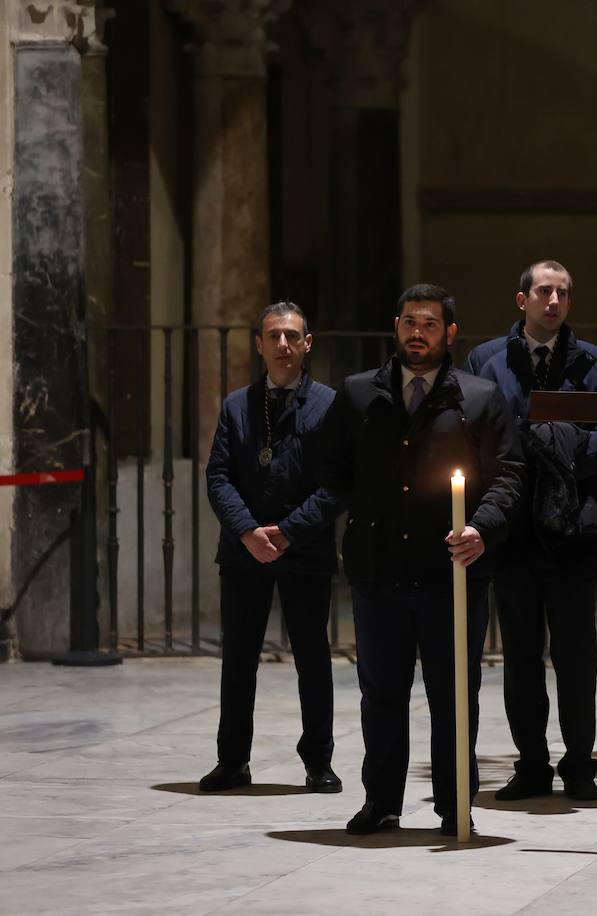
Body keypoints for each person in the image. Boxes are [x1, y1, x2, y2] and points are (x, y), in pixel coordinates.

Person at [323, 283, 523, 837]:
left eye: (430, 324)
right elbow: (331, 468)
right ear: (396, 326)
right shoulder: (359, 393)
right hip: (380, 570)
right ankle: (381, 801)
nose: (418, 333)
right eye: (409, 322)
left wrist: (482, 528)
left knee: (453, 695)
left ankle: (455, 804)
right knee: (381, 693)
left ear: (450, 333)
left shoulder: (479, 398)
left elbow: (508, 475)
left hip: (450, 572)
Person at [463, 260, 597, 802]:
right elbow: (476, 432)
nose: (554, 301)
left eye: (563, 293)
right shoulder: (486, 360)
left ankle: (579, 765)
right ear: (522, 300)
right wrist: (523, 457)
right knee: (521, 654)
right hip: (513, 526)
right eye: (544, 292)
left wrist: (562, 454)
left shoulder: (595, 361)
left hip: (575, 524)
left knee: (577, 656)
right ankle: (532, 763)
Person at [201, 301, 344, 794]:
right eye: (274, 336)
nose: (283, 344)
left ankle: (318, 762)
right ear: (259, 345)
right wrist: (248, 531)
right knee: (238, 659)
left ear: (307, 344)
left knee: (312, 658)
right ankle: (232, 761)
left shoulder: (329, 404)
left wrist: (286, 532)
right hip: (245, 552)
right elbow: (218, 477)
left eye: (292, 336)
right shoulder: (236, 405)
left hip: (304, 549)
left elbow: (335, 484)